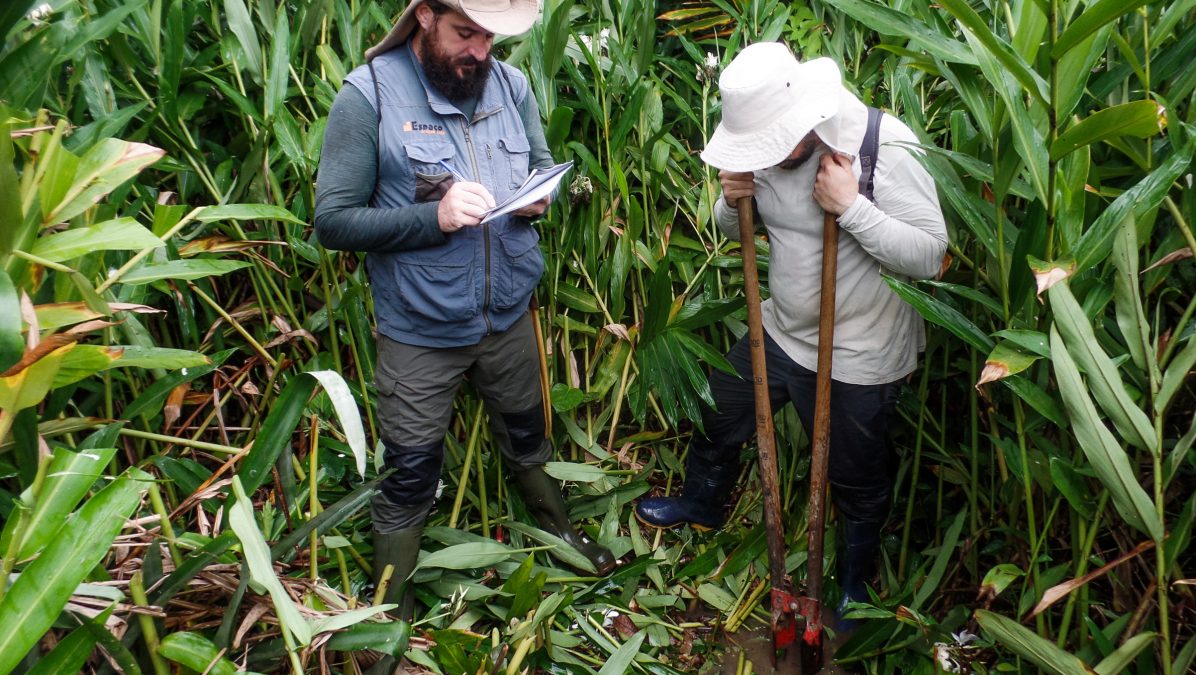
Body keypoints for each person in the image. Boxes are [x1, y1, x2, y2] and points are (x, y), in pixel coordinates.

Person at [314, 0, 616, 619]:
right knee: (410, 473)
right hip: (420, 330)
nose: (480, 51)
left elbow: (541, 167)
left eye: (489, 37)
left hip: (507, 316)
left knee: (527, 435)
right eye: (465, 33)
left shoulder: (512, 85)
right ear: (425, 16)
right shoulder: (369, 96)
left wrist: (539, 198)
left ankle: (558, 530)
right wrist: (436, 216)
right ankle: (388, 612)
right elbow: (333, 222)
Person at [635, 42, 947, 631]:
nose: (765, 157)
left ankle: (854, 585)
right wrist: (730, 201)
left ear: (804, 117)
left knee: (854, 475)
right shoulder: (759, 152)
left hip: (860, 351)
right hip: (780, 331)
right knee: (719, 412)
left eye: (771, 144)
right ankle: (703, 503)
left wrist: (851, 207)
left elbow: (931, 256)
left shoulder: (879, 145)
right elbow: (736, 228)